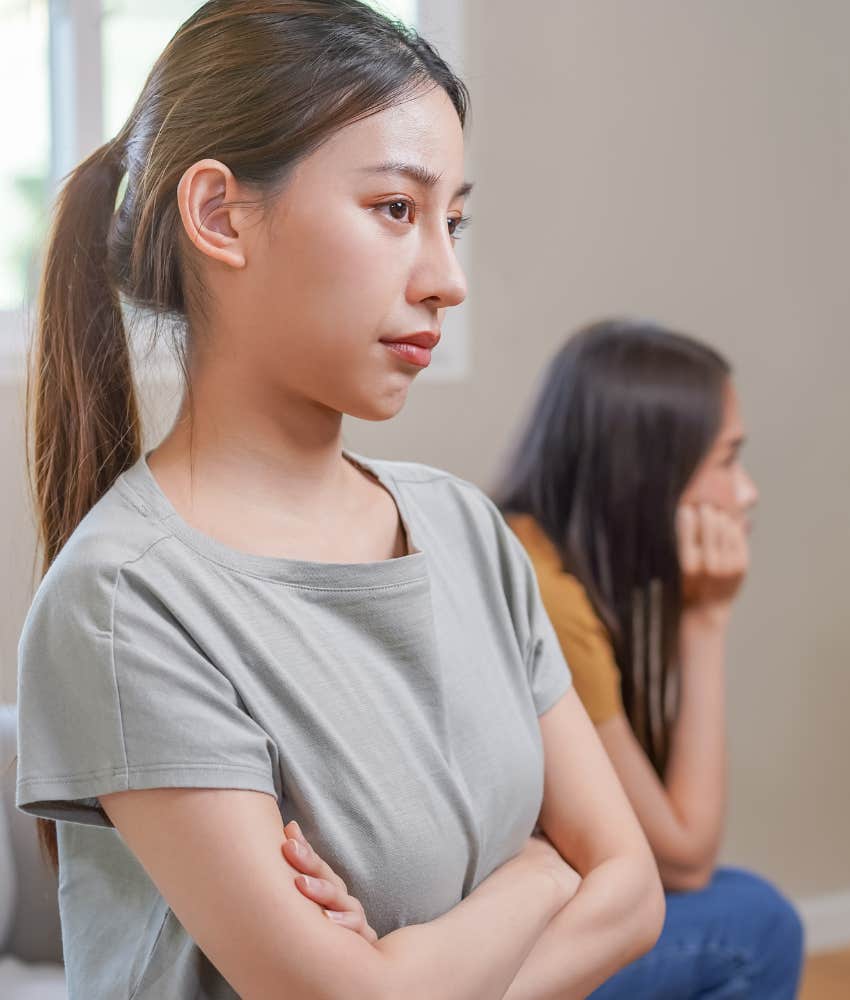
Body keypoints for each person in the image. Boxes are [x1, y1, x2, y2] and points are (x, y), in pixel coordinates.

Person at [15, 4, 665, 998]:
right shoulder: (121, 602)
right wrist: (539, 870)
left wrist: (410, 970)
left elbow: (632, 891)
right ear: (221, 215)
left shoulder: (463, 529)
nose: (447, 279)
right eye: (396, 210)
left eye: (452, 220)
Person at [495, 318, 805, 998]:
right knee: (761, 926)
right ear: (645, 470)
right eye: (727, 460)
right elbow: (683, 858)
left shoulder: (524, 546)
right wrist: (706, 621)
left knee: (742, 897)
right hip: (498, 957)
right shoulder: (548, 597)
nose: (746, 492)